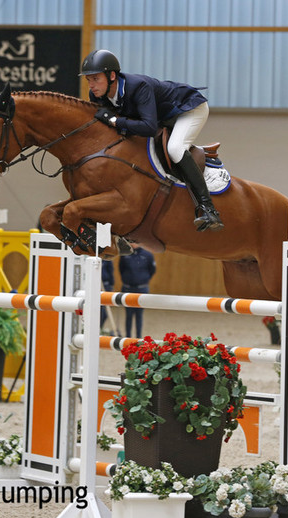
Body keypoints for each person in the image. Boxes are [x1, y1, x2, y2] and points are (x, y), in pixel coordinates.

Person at [80, 49, 223, 232]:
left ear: (112, 76)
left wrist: (115, 121)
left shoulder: (138, 87)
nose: (91, 85)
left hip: (189, 109)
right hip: (163, 116)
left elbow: (147, 127)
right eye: (88, 80)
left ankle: (207, 208)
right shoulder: (98, 94)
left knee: (175, 148)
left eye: (96, 79)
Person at [118, 243, 156, 338]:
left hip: (141, 288)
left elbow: (152, 270)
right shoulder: (125, 255)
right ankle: (128, 337)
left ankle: (138, 337)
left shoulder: (148, 255)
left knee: (139, 315)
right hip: (128, 288)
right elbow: (121, 269)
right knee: (129, 314)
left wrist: (144, 279)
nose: (133, 243)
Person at [100, 259, 115, 332]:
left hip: (105, 285)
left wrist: (111, 285)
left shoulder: (107, 259)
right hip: (95, 285)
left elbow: (110, 272)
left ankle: (100, 328)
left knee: (104, 314)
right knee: (100, 312)